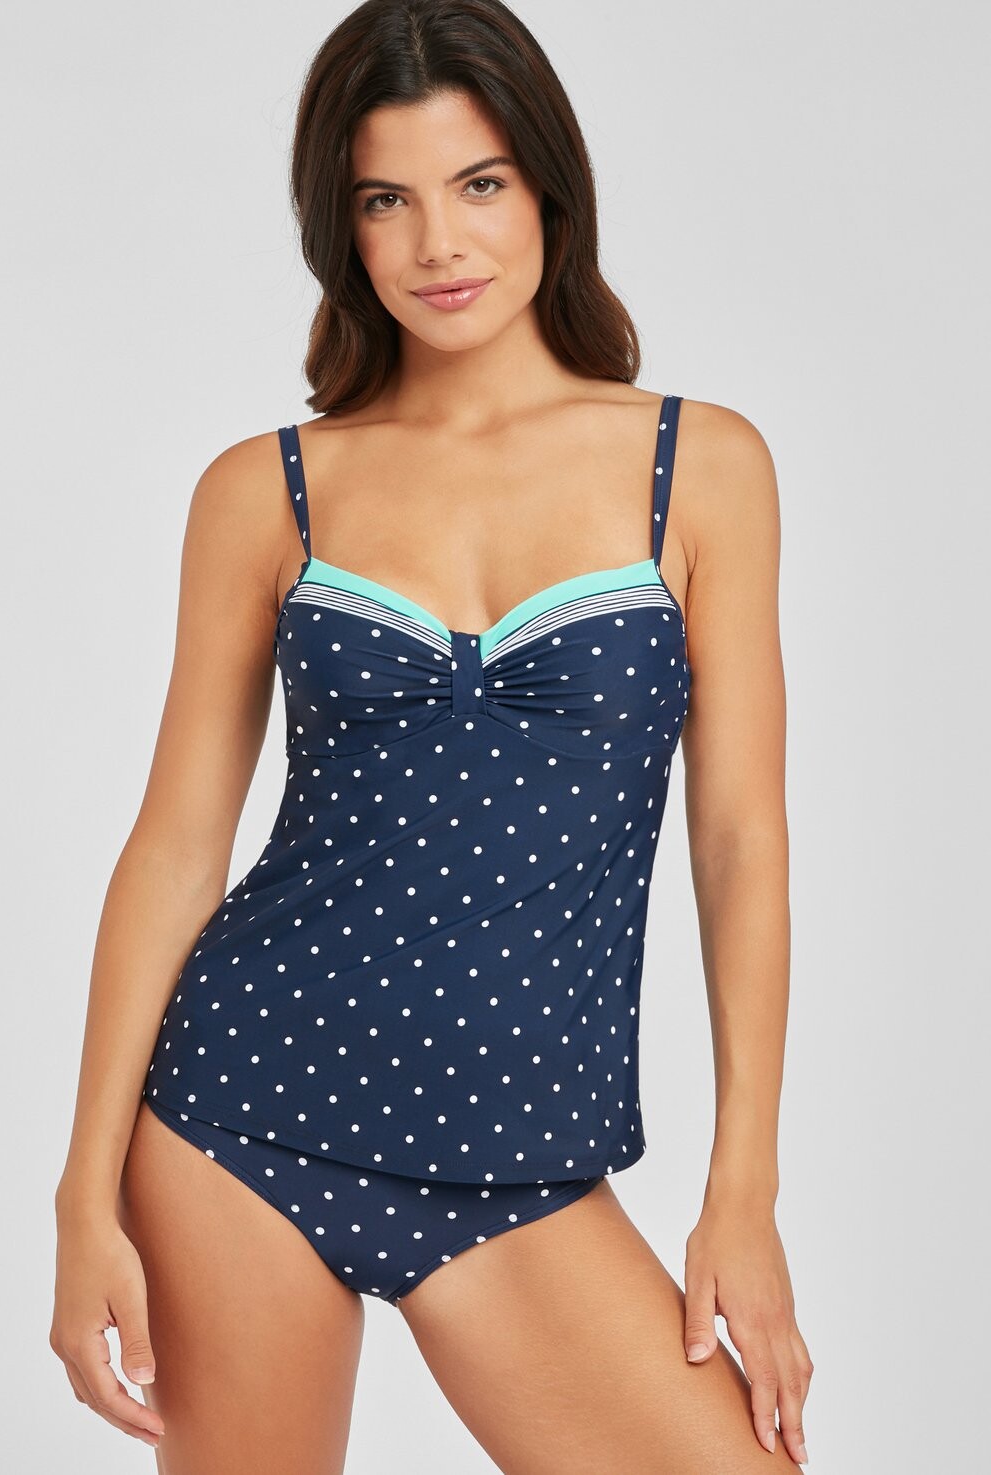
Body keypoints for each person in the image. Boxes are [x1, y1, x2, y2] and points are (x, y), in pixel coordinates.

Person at [49, 1, 812, 1469]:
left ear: (548, 189)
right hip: (240, 1112)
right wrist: (83, 1194)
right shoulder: (265, 490)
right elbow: (176, 847)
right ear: (340, 229)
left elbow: (741, 843)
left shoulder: (700, 467)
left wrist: (745, 1193)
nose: (438, 245)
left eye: (478, 185)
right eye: (384, 200)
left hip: (520, 1153)